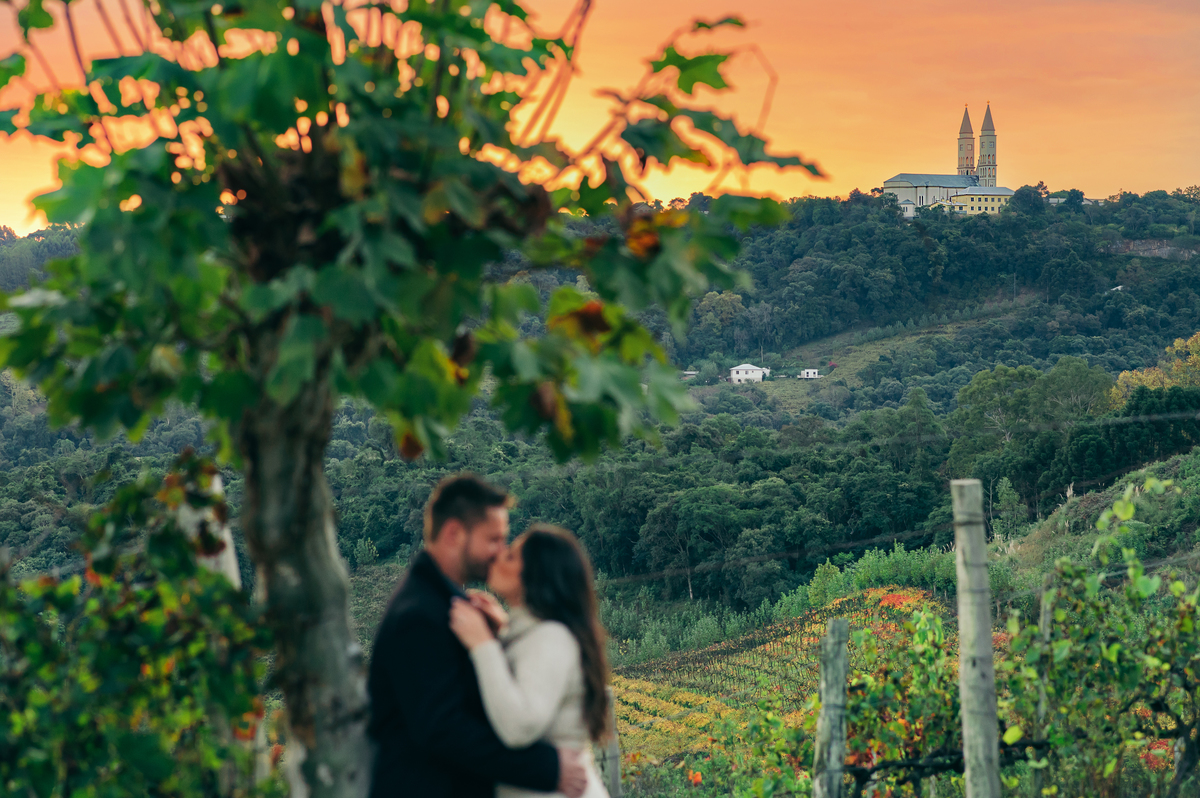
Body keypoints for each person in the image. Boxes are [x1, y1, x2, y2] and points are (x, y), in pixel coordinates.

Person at [367, 475, 588, 798]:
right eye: (494, 539)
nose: (500, 551)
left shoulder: (449, 604)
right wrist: (548, 768)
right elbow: (444, 730)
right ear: (455, 533)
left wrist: (499, 637)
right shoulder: (420, 614)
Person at [449, 524, 612, 798]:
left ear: (536, 576)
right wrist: (502, 631)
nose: (498, 556)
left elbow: (519, 727)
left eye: (511, 556)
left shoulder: (552, 637)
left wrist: (483, 644)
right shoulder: (542, 634)